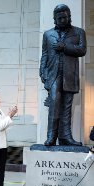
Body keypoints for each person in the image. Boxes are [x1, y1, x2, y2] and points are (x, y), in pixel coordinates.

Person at [39, 4, 87, 146]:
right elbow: (45, 55)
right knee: (54, 104)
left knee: (66, 107)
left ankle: (65, 137)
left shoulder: (79, 32)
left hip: (69, 75)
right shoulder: (48, 34)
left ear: (69, 17)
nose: (62, 20)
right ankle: (51, 137)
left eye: (64, 17)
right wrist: (42, 72)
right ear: (55, 19)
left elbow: (82, 50)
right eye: (59, 18)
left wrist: (65, 47)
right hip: (53, 74)